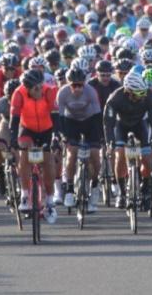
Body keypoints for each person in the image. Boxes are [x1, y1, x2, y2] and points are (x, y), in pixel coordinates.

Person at [104, 71, 152, 209]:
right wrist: (110, 143)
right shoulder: (115, 98)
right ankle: (122, 193)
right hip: (120, 125)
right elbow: (108, 124)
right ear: (128, 91)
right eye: (138, 94)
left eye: (143, 93)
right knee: (120, 155)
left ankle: (146, 188)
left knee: (147, 157)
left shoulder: (149, 96)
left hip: (140, 125)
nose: (141, 97)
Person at [10, 70, 60, 224]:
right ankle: (25, 195)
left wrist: (56, 136)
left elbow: (56, 116)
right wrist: (13, 140)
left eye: (40, 86)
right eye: (35, 88)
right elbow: (14, 120)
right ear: (27, 88)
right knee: (25, 154)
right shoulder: (19, 94)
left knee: (48, 161)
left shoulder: (49, 91)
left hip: (47, 129)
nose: (39, 90)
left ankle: (50, 202)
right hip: (27, 129)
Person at [58, 67, 102, 213]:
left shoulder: (90, 92)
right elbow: (59, 117)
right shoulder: (62, 93)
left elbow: (97, 117)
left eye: (80, 85)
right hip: (71, 122)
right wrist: (63, 137)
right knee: (72, 154)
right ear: (68, 84)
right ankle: (70, 190)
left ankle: (95, 186)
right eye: (74, 85)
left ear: (84, 83)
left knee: (95, 155)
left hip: (90, 121)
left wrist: (99, 137)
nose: (77, 88)